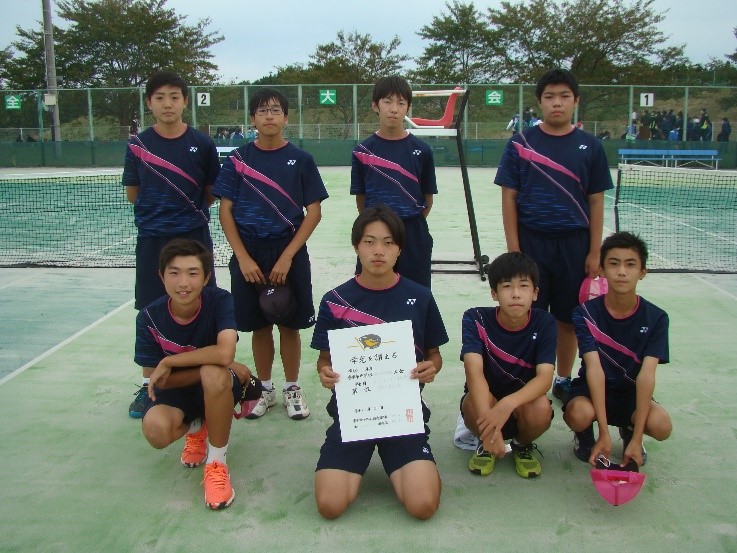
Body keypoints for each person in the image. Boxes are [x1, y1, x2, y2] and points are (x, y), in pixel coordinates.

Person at [312, 205, 449, 520]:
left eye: (388, 243)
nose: (378, 251)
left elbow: (434, 355)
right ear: (356, 246)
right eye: (369, 242)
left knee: (423, 506)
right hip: (354, 416)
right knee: (330, 506)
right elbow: (324, 360)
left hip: (402, 417)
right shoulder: (335, 301)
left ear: (399, 249)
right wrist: (325, 373)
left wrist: (432, 367)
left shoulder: (420, 297)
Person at [495, 68, 613, 404]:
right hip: (531, 242)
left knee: (567, 319)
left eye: (564, 96)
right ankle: (526, 378)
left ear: (575, 101)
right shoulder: (520, 143)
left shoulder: (591, 146)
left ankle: (562, 378)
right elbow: (509, 197)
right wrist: (515, 250)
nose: (556, 103)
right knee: (525, 314)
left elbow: (596, 201)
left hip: (574, 246)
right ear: (539, 102)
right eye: (549, 97)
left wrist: (595, 252)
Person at [214, 87, 328, 420]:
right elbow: (225, 211)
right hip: (248, 252)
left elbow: (314, 212)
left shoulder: (301, 160)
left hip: (288, 251)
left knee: (289, 325)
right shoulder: (237, 160)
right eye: (262, 111)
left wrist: (288, 256)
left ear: (286, 118)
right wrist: (243, 257)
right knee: (260, 326)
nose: (269, 116)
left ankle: (292, 387)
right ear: (252, 119)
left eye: (275, 110)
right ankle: (265, 388)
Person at [136, 238, 262, 510]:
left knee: (214, 375)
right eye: (174, 273)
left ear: (206, 278)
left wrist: (171, 360)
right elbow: (158, 381)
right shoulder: (148, 318)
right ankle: (196, 427)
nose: (183, 283)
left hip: (216, 385)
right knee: (156, 432)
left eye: (192, 273)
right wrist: (209, 367)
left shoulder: (220, 300)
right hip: (175, 391)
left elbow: (225, 353)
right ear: (161, 276)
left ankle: (216, 462)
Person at [122, 71, 220, 419]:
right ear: (149, 103)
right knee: (152, 310)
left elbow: (210, 192)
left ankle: (207, 378)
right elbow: (133, 192)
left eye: (174, 97)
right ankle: (149, 384)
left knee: (205, 305)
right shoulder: (138, 145)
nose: (168, 104)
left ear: (185, 101)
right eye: (160, 97)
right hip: (153, 239)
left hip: (194, 237)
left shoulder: (202, 144)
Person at [563, 232, 672, 467]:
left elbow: (646, 376)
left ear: (643, 272)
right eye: (614, 264)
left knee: (662, 426)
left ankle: (630, 431)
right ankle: (585, 434)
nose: (622, 272)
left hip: (630, 392)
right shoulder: (584, 314)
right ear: (602, 269)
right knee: (578, 414)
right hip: (592, 389)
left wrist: (639, 437)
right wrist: (604, 433)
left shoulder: (657, 318)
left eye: (630, 264)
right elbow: (594, 370)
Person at [461, 252, 556, 479]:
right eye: (506, 286)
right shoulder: (475, 318)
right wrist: (489, 433)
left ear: (535, 293)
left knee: (542, 409)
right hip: (486, 405)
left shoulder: (545, 322)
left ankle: (521, 444)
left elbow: (544, 378)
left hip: (523, 404)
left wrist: (508, 403)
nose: (515, 294)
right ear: (494, 293)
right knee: (472, 403)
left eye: (523, 286)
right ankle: (486, 443)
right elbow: (473, 371)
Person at [350, 76, 437, 289]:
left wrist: (406, 225)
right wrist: (377, 227)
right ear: (375, 106)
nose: (394, 109)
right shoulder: (362, 151)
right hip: (375, 232)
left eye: (401, 103)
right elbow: (361, 199)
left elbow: (427, 199)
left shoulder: (422, 150)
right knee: (371, 293)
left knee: (415, 293)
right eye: (387, 102)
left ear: (408, 107)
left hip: (413, 235)